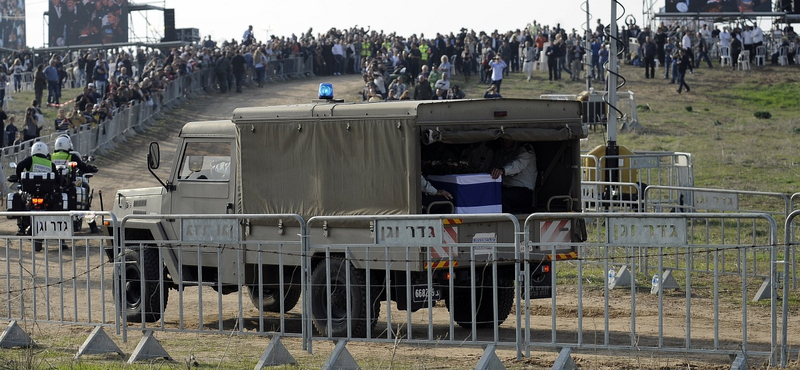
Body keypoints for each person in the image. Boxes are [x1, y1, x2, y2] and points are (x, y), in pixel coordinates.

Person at [51, 136, 100, 233]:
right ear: (68, 145)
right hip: (69, 187)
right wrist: (93, 168)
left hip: (55, 188)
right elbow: (83, 167)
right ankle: (93, 226)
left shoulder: (50, 156)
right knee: (84, 204)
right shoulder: (72, 156)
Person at [490, 139, 537, 213]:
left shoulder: (526, 150)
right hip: (505, 188)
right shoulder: (501, 152)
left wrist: (503, 170)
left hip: (523, 191)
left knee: (502, 196)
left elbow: (518, 164)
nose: (505, 141)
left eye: (507, 139)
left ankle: (506, 222)